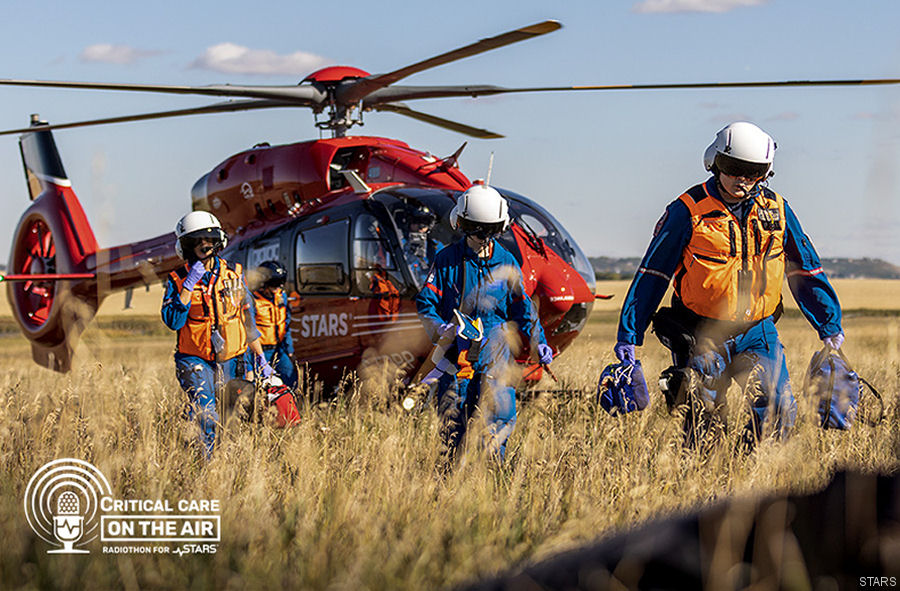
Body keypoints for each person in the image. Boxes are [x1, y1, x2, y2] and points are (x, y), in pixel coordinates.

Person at [614, 122, 843, 448]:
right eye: (734, 168)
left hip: (758, 331)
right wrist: (629, 334)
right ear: (716, 163)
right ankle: (706, 481)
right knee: (703, 418)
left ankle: (753, 478)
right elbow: (653, 275)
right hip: (702, 332)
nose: (742, 179)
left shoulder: (778, 210)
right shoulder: (687, 211)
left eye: (753, 172)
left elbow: (805, 269)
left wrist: (828, 323)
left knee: (778, 409)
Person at [416, 184, 554, 463]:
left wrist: (540, 343)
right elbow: (426, 303)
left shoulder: (507, 262)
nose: (483, 237)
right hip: (457, 357)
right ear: (462, 225)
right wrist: (440, 330)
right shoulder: (446, 260)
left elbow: (524, 309)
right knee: (453, 420)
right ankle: (452, 478)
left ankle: (493, 475)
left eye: (490, 231)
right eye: (477, 230)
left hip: (496, 355)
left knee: (499, 417)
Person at [162, 211, 275, 458]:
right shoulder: (178, 280)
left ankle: (219, 459)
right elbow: (172, 320)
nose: (204, 246)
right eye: (197, 241)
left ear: (218, 242)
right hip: (194, 360)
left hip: (231, 359)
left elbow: (248, 321)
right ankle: (205, 465)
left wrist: (260, 359)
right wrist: (188, 288)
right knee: (207, 414)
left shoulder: (234, 274)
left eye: (208, 240)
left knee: (229, 415)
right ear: (186, 247)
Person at [250, 260, 298, 390]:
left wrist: (290, 350)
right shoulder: (254, 300)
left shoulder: (281, 297)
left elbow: (285, 324)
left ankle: (289, 407)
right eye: (275, 284)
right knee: (262, 385)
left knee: (290, 379)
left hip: (279, 348)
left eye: (281, 283)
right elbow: (249, 329)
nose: (278, 287)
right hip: (260, 351)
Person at [402, 204, 437, 285]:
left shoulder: (435, 246)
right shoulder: (398, 243)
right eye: (416, 221)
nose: (421, 226)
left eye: (425, 222)